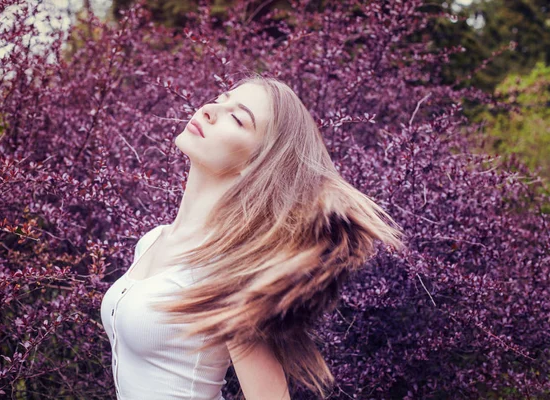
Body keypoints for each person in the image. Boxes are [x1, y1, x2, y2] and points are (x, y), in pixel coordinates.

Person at [100, 74, 406, 400]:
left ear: (257, 163)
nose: (208, 110)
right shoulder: (152, 241)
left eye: (236, 118)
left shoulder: (228, 269)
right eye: (219, 99)